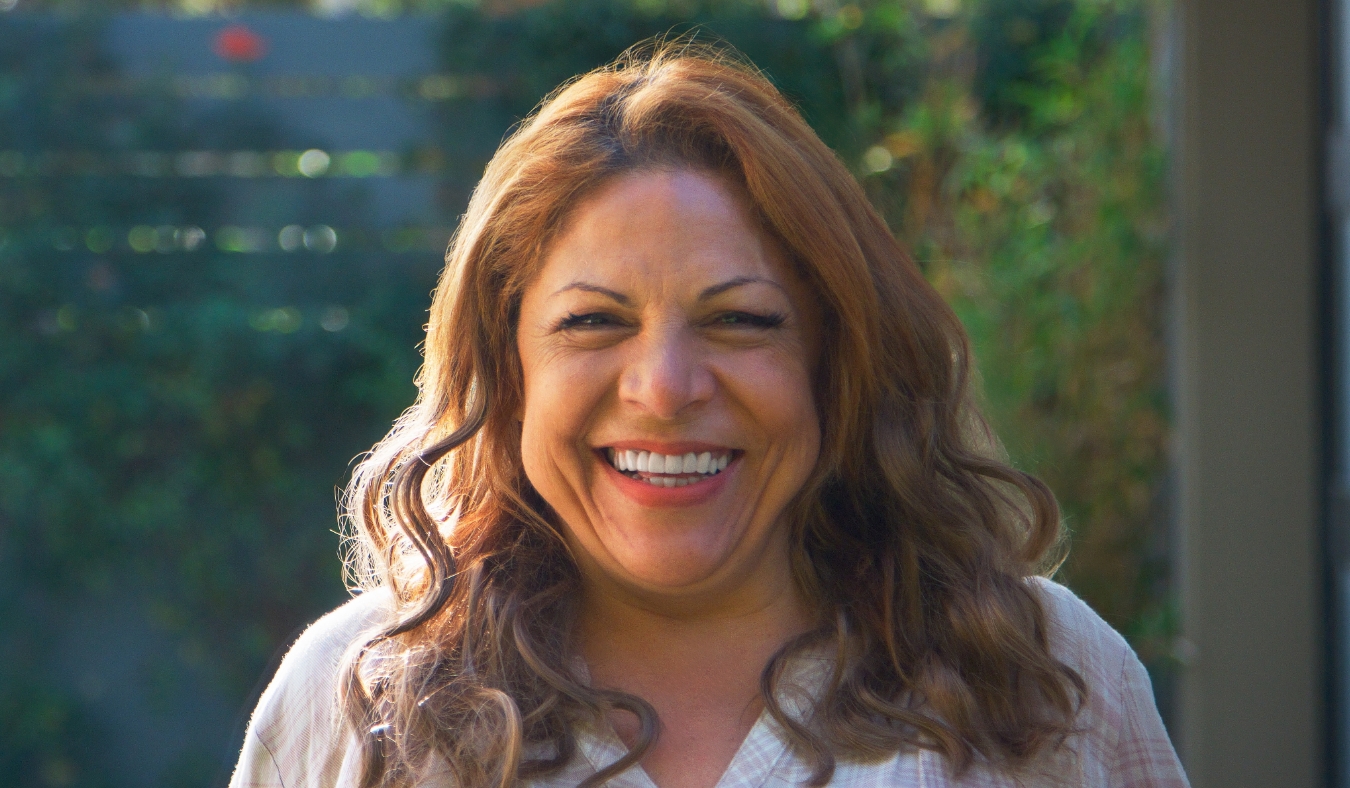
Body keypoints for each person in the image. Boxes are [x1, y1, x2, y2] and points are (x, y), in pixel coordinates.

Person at [229, 43, 1189, 788]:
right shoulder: (361, 700)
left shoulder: (1039, 675)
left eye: (740, 320)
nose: (665, 387)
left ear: (835, 358)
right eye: (594, 322)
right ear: (508, 369)